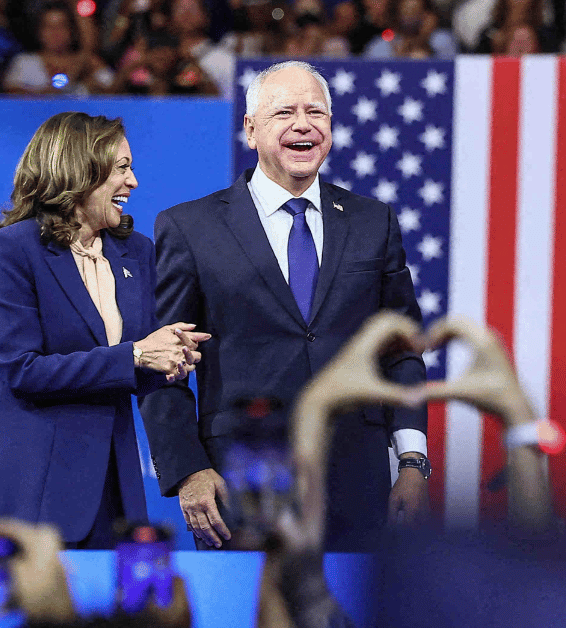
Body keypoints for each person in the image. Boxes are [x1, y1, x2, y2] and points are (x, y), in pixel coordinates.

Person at [140, 60, 429, 552]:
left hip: (355, 481)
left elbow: (401, 351)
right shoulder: (190, 228)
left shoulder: (372, 221)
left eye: (316, 112)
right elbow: (164, 365)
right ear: (251, 130)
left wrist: (411, 460)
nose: (303, 124)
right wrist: (189, 471)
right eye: (284, 113)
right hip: (242, 481)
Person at [0, 112, 211, 549]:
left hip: (113, 482)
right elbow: (22, 370)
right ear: (79, 170)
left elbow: (137, 364)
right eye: (121, 168)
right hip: (33, 487)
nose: (133, 182)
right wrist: (137, 355)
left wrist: (170, 361)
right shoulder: (14, 249)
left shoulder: (136, 252)